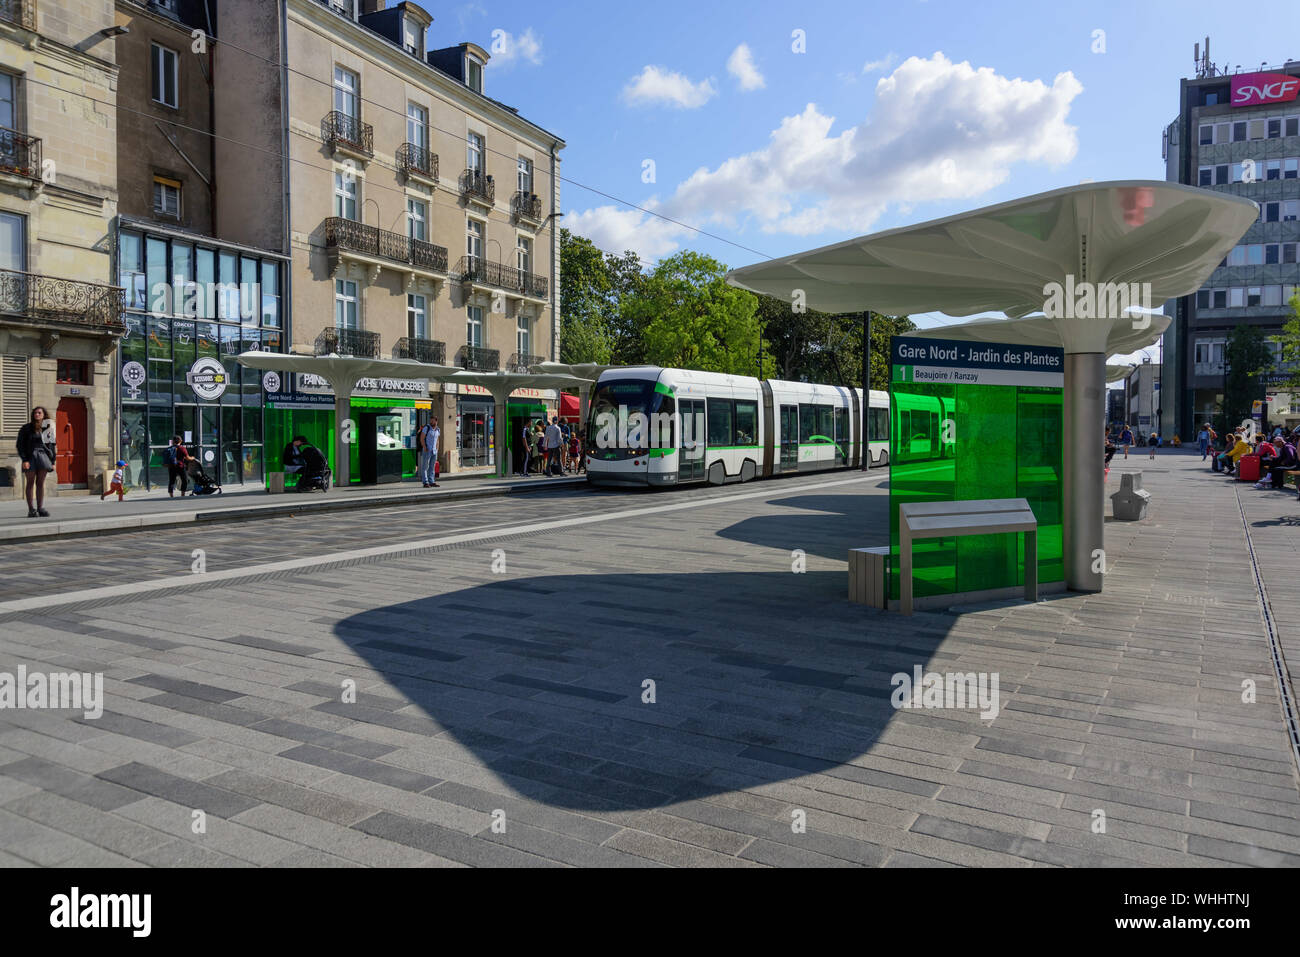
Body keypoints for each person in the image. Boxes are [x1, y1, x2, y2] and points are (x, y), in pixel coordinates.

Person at [16, 406, 55, 518]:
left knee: (40, 483)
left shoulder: (47, 429)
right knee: (30, 482)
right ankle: (31, 509)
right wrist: (25, 459)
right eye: (35, 413)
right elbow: (20, 445)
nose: (36, 414)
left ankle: (40, 508)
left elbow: (52, 446)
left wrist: (53, 461)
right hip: (30, 456)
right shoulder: (26, 428)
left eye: (39, 413)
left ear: (44, 414)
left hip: (43, 456)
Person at [417, 418, 440, 487]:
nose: (431, 422)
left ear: (436, 421)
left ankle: (432, 481)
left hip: (434, 451)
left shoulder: (438, 429)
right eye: (431, 421)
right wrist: (424, 447)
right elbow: (422, 438)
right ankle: (425, 482)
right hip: (427, 450)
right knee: (425, 467)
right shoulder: (426, 428)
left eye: (433, 421)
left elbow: (437, 440)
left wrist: (437, 449)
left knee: (432, 467)